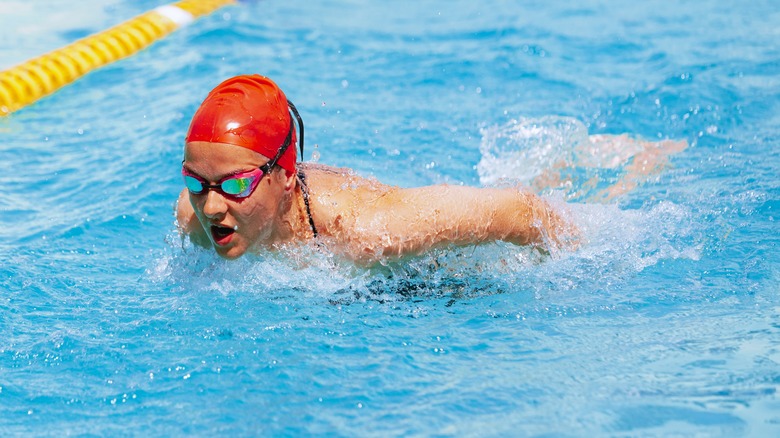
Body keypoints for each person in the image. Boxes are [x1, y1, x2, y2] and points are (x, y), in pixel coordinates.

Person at [176, 75, 577, 264]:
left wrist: (578, 256)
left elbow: (521, 211)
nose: (211, 207)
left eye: (236, 184)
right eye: (196, 182)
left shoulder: (368, 232)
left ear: (284, 177)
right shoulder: (193, 219)